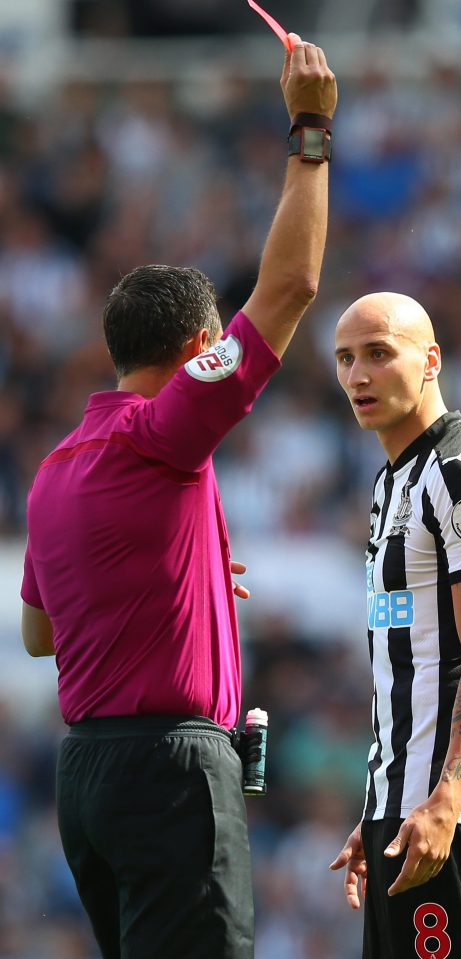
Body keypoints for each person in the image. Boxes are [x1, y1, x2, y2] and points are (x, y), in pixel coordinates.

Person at [20, 36, 336, 959]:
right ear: (199, 346)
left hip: (86, 778)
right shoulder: (161, 435)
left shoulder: (56, 467)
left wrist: (165, 583)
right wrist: (310, 130)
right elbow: (290, 288)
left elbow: (43, 634)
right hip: (170, 769)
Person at [330, 292, 461, 959]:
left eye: (380, 353)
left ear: (430, 360)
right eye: (346, 358)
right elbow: (404, 662)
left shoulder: (458, 471)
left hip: (453, 812)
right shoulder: (394, 481)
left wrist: (444, 798)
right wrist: (380, 801)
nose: (359, 375)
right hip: (402, 806)